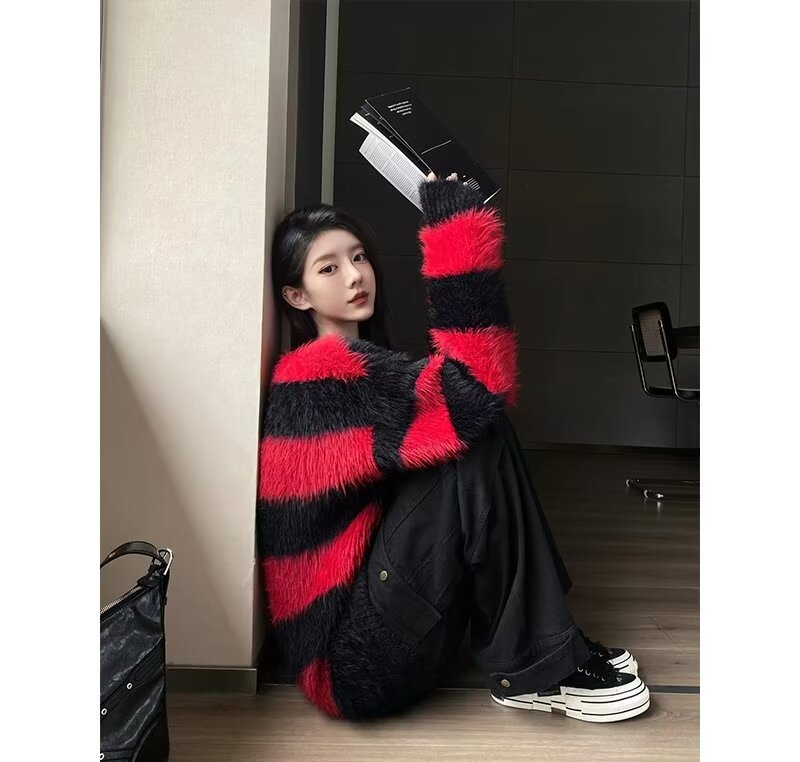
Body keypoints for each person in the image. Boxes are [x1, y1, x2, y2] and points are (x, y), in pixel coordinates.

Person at [256, 172, 651, 723]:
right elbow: (480, 385)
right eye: (329, 268)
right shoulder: (320, 376)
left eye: (359, 257)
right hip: (351, 666)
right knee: (475, 427)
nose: (355, 275)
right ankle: (538, 665)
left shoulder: (354, 367)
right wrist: (455, 230)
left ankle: (546, 645)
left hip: (373, 642)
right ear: (296, 296)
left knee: (474, 425)